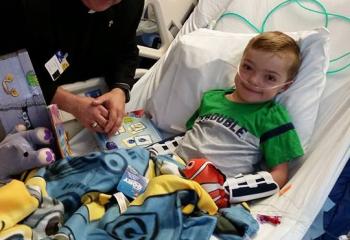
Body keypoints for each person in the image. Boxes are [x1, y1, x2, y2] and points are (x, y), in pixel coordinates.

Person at [173, 31, 305, 204]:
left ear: (285, 86)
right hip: (172, 167)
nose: (254, 80)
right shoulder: (211, 98)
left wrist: (229, 192)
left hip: (212, 192)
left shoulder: (273, 118)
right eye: (248, 67)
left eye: (270, 78)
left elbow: (279, 174)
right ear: (240, 63)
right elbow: (188, 134)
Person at [0, 0, 144, 136]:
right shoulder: (24, 7)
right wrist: (71, 104)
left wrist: (119, 90)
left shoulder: (129, 5)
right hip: (28, 100)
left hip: (90, 104)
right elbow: (9, 71)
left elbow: (126, 51)